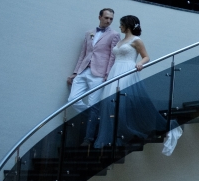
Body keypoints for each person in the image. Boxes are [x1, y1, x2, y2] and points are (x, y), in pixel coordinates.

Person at [92, 15, 182, 155]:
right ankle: (117, 135)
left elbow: (146, 56)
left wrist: (140, 63)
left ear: (127, 25)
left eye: (121, 24)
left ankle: (129, 131)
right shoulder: (121, 41)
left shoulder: (136, 40)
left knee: (120, 100)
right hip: (115, 71)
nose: (120, 26)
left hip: (127, 70)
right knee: (110, 102)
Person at [67, 8, 120, 140]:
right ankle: (97, 117)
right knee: (72, 100)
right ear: (99, 17)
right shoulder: (89, 33)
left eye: (111, 19)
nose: (108, 21)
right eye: (106, 18)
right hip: (83, 70)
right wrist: (75, 72)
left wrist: (107, 74)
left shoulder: (114, 35)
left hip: (99, 73)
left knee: (93, 104)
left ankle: (90, 136)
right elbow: (83, 53)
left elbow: (112, 56)